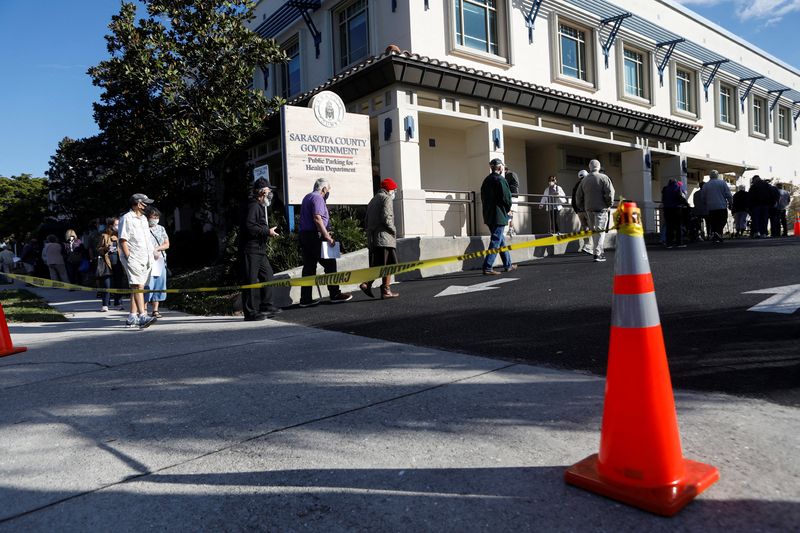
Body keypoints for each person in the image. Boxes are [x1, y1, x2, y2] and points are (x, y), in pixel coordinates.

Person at [298, 178, 353, 307]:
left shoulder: (307, 197)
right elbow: (317, 218)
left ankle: (305, 298)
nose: (328, 192)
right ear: (323, 189)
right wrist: (327, 236)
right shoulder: (318, 198)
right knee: (330, 263)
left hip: (305, 236)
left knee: (309, 267)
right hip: (315, 237)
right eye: (328, 190)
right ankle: (335, 294)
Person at [239, 177, 282, 321]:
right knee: (250, 280)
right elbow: (249, 227)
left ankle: (267, 306)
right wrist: (267, 232)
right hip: (251, 249)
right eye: (269, 190)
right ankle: (250, 312)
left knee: (268, 275)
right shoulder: (253, 206)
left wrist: (267, 231)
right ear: (262, 192)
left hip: (259, 249)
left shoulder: (258, 205)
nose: (271, 194)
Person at [118, 193, 157, 329]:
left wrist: (152, 254)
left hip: (145, 257)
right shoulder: (126, 218)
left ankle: (131, 317)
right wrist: (129, 257)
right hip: (133, 257)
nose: (147, 206)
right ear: (138, 203)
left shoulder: (144, 219)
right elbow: (123, 239)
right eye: (145, 203)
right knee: (138, 286)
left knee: (136, 287)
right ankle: (142, 316)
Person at [359, 178, 400, 299]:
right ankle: (381, 289)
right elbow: (387, 217)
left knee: (379, 264)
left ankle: (371, 285)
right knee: (388, 265)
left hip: (375, 238)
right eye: (394, 189)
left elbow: (366, 221)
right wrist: (393, 229)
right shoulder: (386, 198)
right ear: (389, 189)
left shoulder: (373, 200)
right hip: (385, 238)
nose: (394, 192)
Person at [480, 158, 516, 275]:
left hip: (488, 215)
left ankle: (508, 265)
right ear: (500, 168)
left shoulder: (486, 180)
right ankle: (488, 267)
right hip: (499, 215)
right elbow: (507, 198)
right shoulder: (500, 180)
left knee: (500, 240)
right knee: (496, 240)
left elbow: (483, 198)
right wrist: (507, 210)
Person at [575, 159, 615, 262]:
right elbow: (610, 193)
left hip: (588, 208)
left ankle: (597, 251)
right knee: (600, 231)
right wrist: (609, 204)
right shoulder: (604, 178)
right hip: (601, 208)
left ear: (589, 167)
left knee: (593, 230)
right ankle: (598, 254)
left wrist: (581, 206)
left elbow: (578, 196)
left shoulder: (584, 180)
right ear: (599, 166)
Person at [144, 206, 170, 318]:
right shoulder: (142, 229)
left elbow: (167, 244)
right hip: (146, 260)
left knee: (159, 284)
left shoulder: (161, 228)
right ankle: (143, 310)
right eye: (152, 216)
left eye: (156, 216)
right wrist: (151, 251)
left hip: (160, 260)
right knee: (146, 285)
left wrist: (157, 249)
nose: (154, 218)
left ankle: (155, 310)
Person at [96, 217, 125, 312]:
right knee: (107, 284)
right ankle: (105, 304)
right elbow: (98, 249)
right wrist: (105, 248)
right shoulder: (104, 236)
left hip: (119, 262)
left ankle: (118, 303)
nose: (118, 226)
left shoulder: (120, 235)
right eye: (116, 224)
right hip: (107, 263)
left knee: (118, 283)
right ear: (111, 226)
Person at [701, 170, 732, 243]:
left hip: (711, 207)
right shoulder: (722, 183)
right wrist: (731, 202)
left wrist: (705, 204)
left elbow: (703, 197)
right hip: (721, 206)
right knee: (722, 220)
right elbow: (728, 194)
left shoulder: (706, 185)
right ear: (717, 175)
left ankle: (716, 234)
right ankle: (718, 233)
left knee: (713, 222)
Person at [661, 178, 689, 248]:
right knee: (678, 226)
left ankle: (669, 243)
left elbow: (663, 199)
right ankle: (679, 242)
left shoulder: (665, 189)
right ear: (676, 182)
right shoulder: (677, 187)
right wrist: (686, 204)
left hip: (667, 209)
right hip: (676, 209)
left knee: (669, 226)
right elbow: (680, 197)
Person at [571, 169, 592, 254]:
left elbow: (573, 199)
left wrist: (576, 210)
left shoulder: (576, 185)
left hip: (579, 211)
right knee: (592, 228)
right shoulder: (587, 184)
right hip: (587, 209)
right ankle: (589, 246)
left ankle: (586, 245)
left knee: (584, 228)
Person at [505, 166, 520, 236]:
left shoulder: (508, 175)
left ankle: (511, 229)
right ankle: (511, 228)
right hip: (514, 194)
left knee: (510, 212)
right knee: (511, 212)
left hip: (512, 195)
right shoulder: (513, 174)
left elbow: (506, 185)